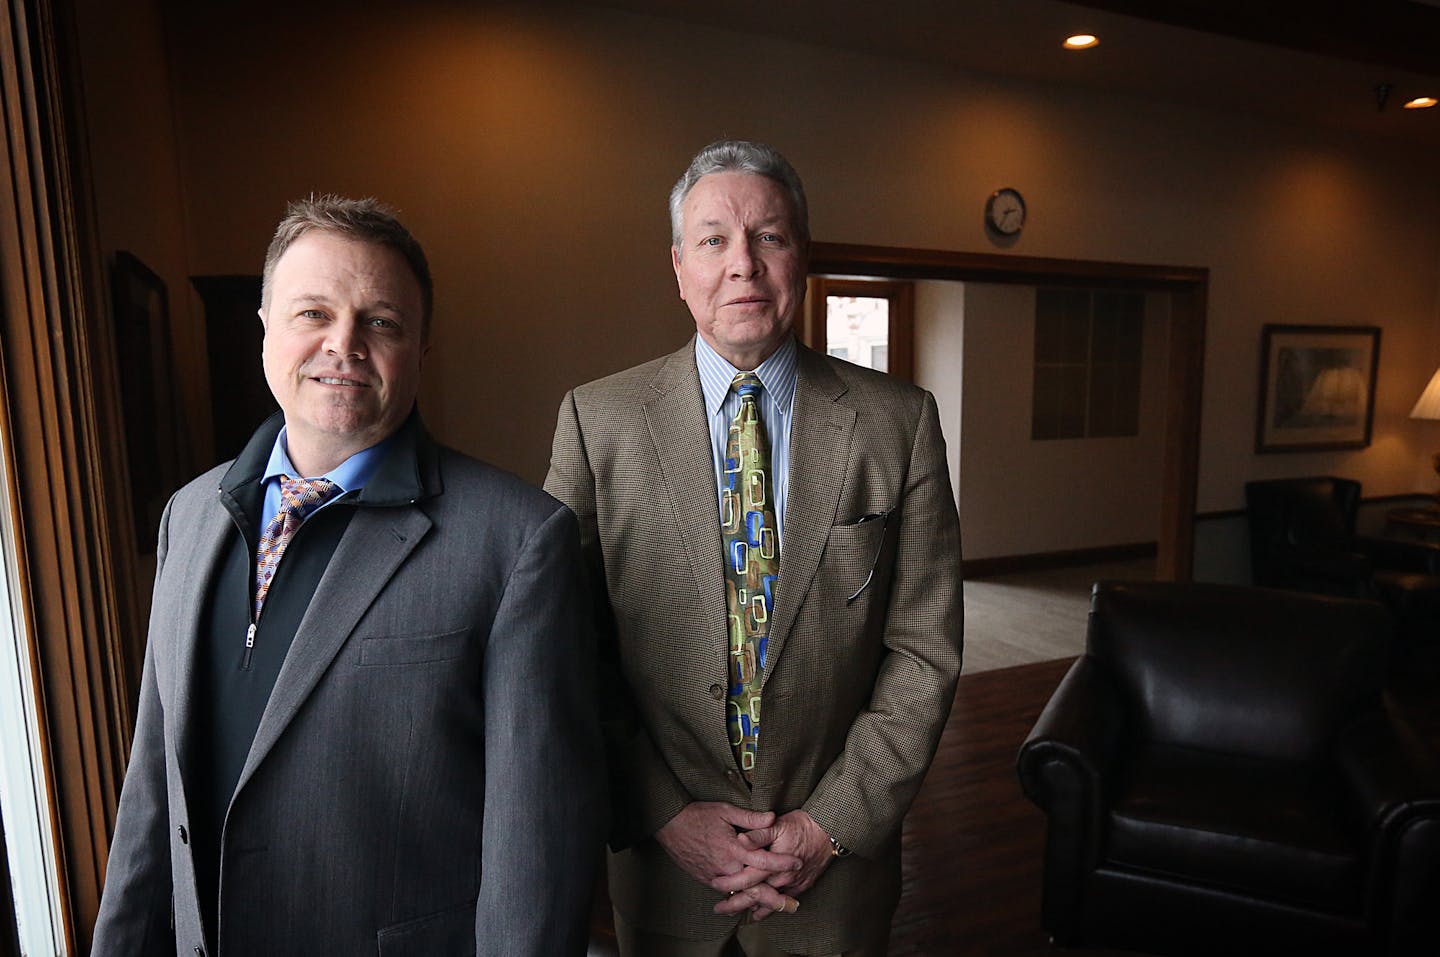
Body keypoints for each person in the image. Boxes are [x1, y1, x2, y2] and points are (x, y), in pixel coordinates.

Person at [92, 196, 604, 956]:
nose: (344, 343)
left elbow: (536, 855)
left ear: (421, 347)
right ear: (264, 326)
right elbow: (151, 785)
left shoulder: (518, 541)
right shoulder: (188, 515)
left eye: (381, 321)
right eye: (312, 313)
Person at [546, 140, 964, 956]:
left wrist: (828, 823)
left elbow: (924, 652)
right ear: (678, 267)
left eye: (769, 236)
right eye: (713, 240)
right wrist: (663, 814)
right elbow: (563, 648)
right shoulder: (597, 423)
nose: (743, 264)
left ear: (800, 257)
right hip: (668, 877)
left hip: (835, 880)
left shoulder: (898, 423)